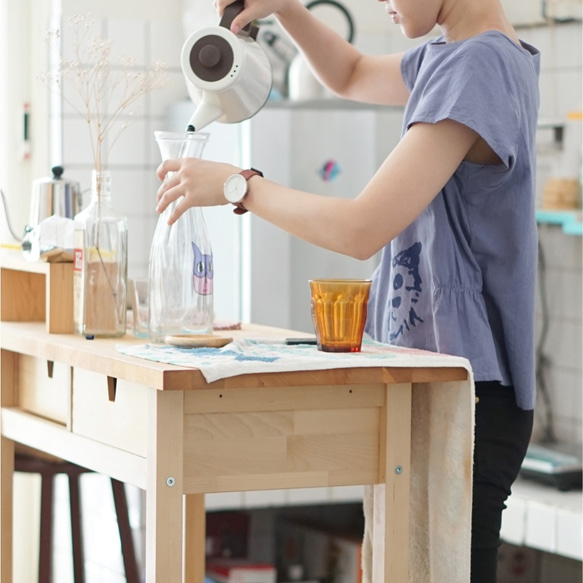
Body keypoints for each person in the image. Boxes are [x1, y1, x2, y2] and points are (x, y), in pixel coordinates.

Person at [156, 0, 540, 581]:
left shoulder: (478, 67)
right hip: (445, 382)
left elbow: (363, 229)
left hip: (471, 396)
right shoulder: (457, 55)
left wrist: (240, 185)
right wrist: (286, 7)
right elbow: (352, 73)